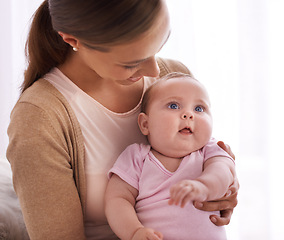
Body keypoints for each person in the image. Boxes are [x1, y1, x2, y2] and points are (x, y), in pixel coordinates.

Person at [6, 0, 239, 239]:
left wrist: (223, 187)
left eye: (159, 46)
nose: (155, 71)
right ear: (73, 40)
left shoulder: (174, 80)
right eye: (131, 63)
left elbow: (205, 163)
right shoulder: (40, 117)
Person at [105, 73, 235, 240]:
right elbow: (117, 200)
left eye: (199, 108)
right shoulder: (137, 157)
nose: (189, 114)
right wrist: (134, 232)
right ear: (146, 124)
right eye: (174, 106)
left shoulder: (210, 150)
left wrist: (204, 186)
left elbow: (223, 173)